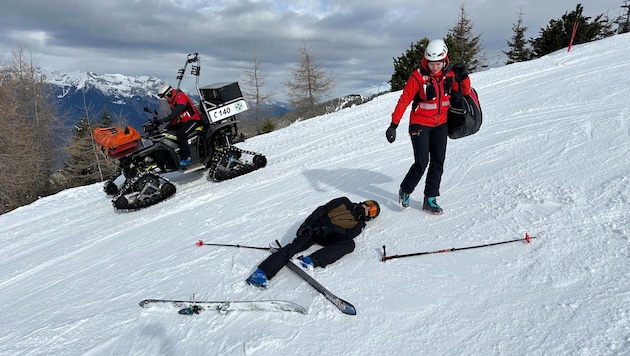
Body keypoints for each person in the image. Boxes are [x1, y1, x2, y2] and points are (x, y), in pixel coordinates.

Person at [385, 39, 471, 214]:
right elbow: (404, 101)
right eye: (431, 64)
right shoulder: (417, 77)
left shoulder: (450, 75)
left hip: (441, 124)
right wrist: (393, 125)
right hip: (420, 124)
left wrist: (464, 76)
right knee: (422, 162)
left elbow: (466, 92)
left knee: (438, 161)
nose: (434, 67)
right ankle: (406, 189)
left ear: (444, 60)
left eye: (438, 63)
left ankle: (430, 199)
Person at [246, 197, 380, 289]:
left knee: (349, 244)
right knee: (295, 246)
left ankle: (310, 261)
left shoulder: (360, 224)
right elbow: (322, 209)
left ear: (371, 216)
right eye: (369, 203)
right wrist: (308, 224)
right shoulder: (344, 201)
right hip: (315, 228)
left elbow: (349, 234)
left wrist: (330, 229)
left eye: (372, 210)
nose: (368, 207)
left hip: (330, 235)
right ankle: (261, 273)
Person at [155, 84, 203, 166]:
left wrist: (164, 120)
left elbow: (177, 111)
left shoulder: (180, 96)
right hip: (184, 121)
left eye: (164, 96)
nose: (164, 99)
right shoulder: (171, 101)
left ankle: (188, 157)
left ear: (169, 93)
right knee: (168, 132)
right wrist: (167, 127)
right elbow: (175, 117)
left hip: (194, 119)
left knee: (181, 134)